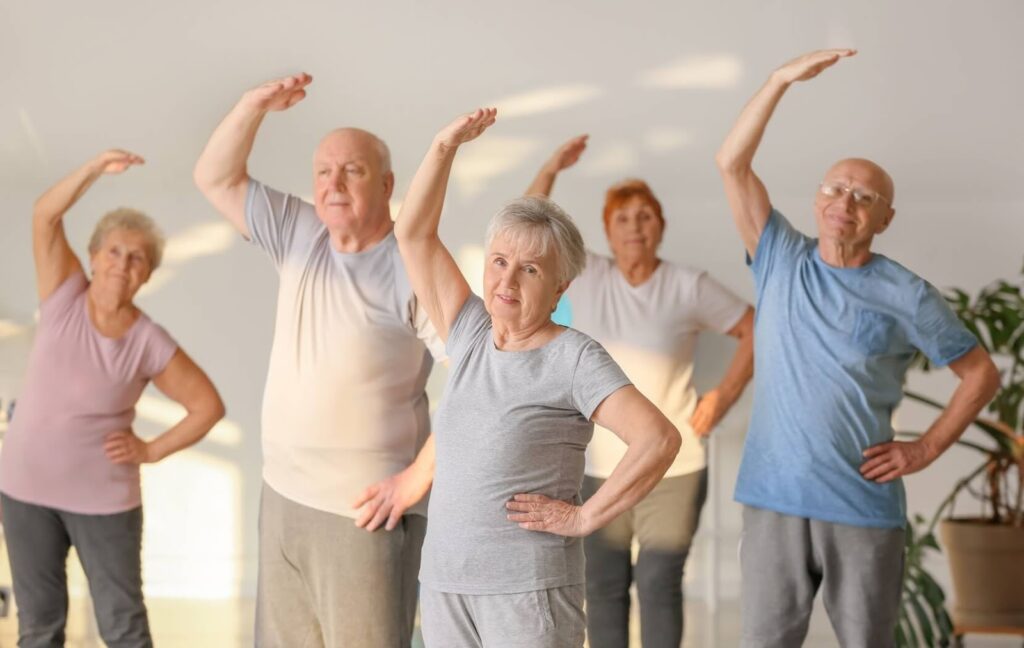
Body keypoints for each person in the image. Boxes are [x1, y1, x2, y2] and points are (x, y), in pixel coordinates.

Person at [715, 49, 1001, 647]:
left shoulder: (908, 294)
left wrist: (924, 449)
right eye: (836, 188)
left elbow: (980, 375)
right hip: (774, 500)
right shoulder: (779, 258)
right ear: (819, 200)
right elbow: (731, 162)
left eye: (864, 197)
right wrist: (779, 81)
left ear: (884, 218)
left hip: (862, 505)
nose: (845, 203)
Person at [394, 107, 682, 647]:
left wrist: (584, 518)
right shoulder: (471, 330)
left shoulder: (574, 358)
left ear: (559, 287)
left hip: (526, 592)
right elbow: (413, 235)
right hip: (446, 583)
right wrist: (444, 146)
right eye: (500, 261)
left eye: (530, 269)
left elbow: (659, 438)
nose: (508, 279)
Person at [193, 74, 444, 647]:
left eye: (351, 170)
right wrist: (252, 103)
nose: (333, 184)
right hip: (282, 497)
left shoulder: (415, 265)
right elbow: (214, 176)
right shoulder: (299, 230)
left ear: (386, 184)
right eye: (323, 171)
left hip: (365, 515)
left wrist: (416, 479)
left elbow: (482, 375)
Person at [526, 138, 755, 648]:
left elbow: (753, 327)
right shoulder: (587, 276)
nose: (634, 225)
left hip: (674, 466)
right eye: (623, 218)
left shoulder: (687, 285)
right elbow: (530, 226)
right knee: (603, 588)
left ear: (660, 227)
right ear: (607, 231)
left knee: (658, 582)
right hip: (596, 463)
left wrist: (722, 396)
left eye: (645, 216)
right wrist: (550, 168)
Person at [0, 149, 225, 648]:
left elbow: (208, 406)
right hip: (23, 490)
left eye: (138, 257)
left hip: (101, 500)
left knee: (122, 628)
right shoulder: (62, 294)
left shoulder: (149, 341)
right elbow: (45, 213)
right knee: (39, 627)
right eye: (115, 251)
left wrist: (149, 450)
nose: (123, 264)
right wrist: (92, 171)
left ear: (148, 274)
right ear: (95, 256)